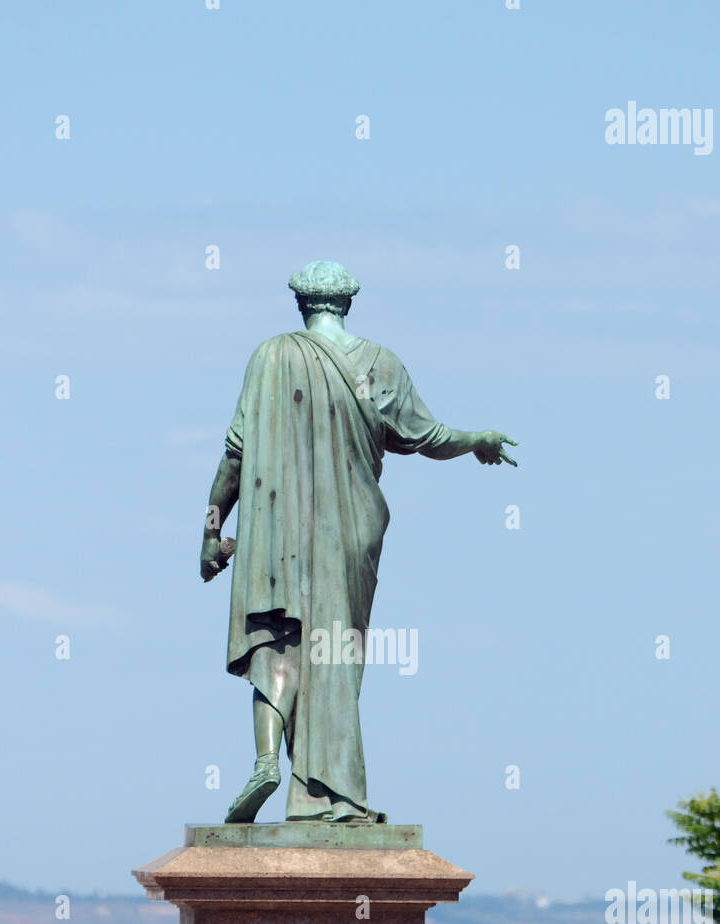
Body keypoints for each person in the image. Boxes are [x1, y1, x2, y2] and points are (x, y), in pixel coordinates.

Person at [200, 260, 518, 824]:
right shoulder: (379, 364)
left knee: (278, 639)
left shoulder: (269, 357)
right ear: (348, 304)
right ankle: (337, 795)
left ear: (301, 305)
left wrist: (211, 529)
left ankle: (267, 760)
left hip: (273, 532)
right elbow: (429, 436)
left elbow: (235, 453)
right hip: (349, 535)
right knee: (335, 653)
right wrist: (480, 440)